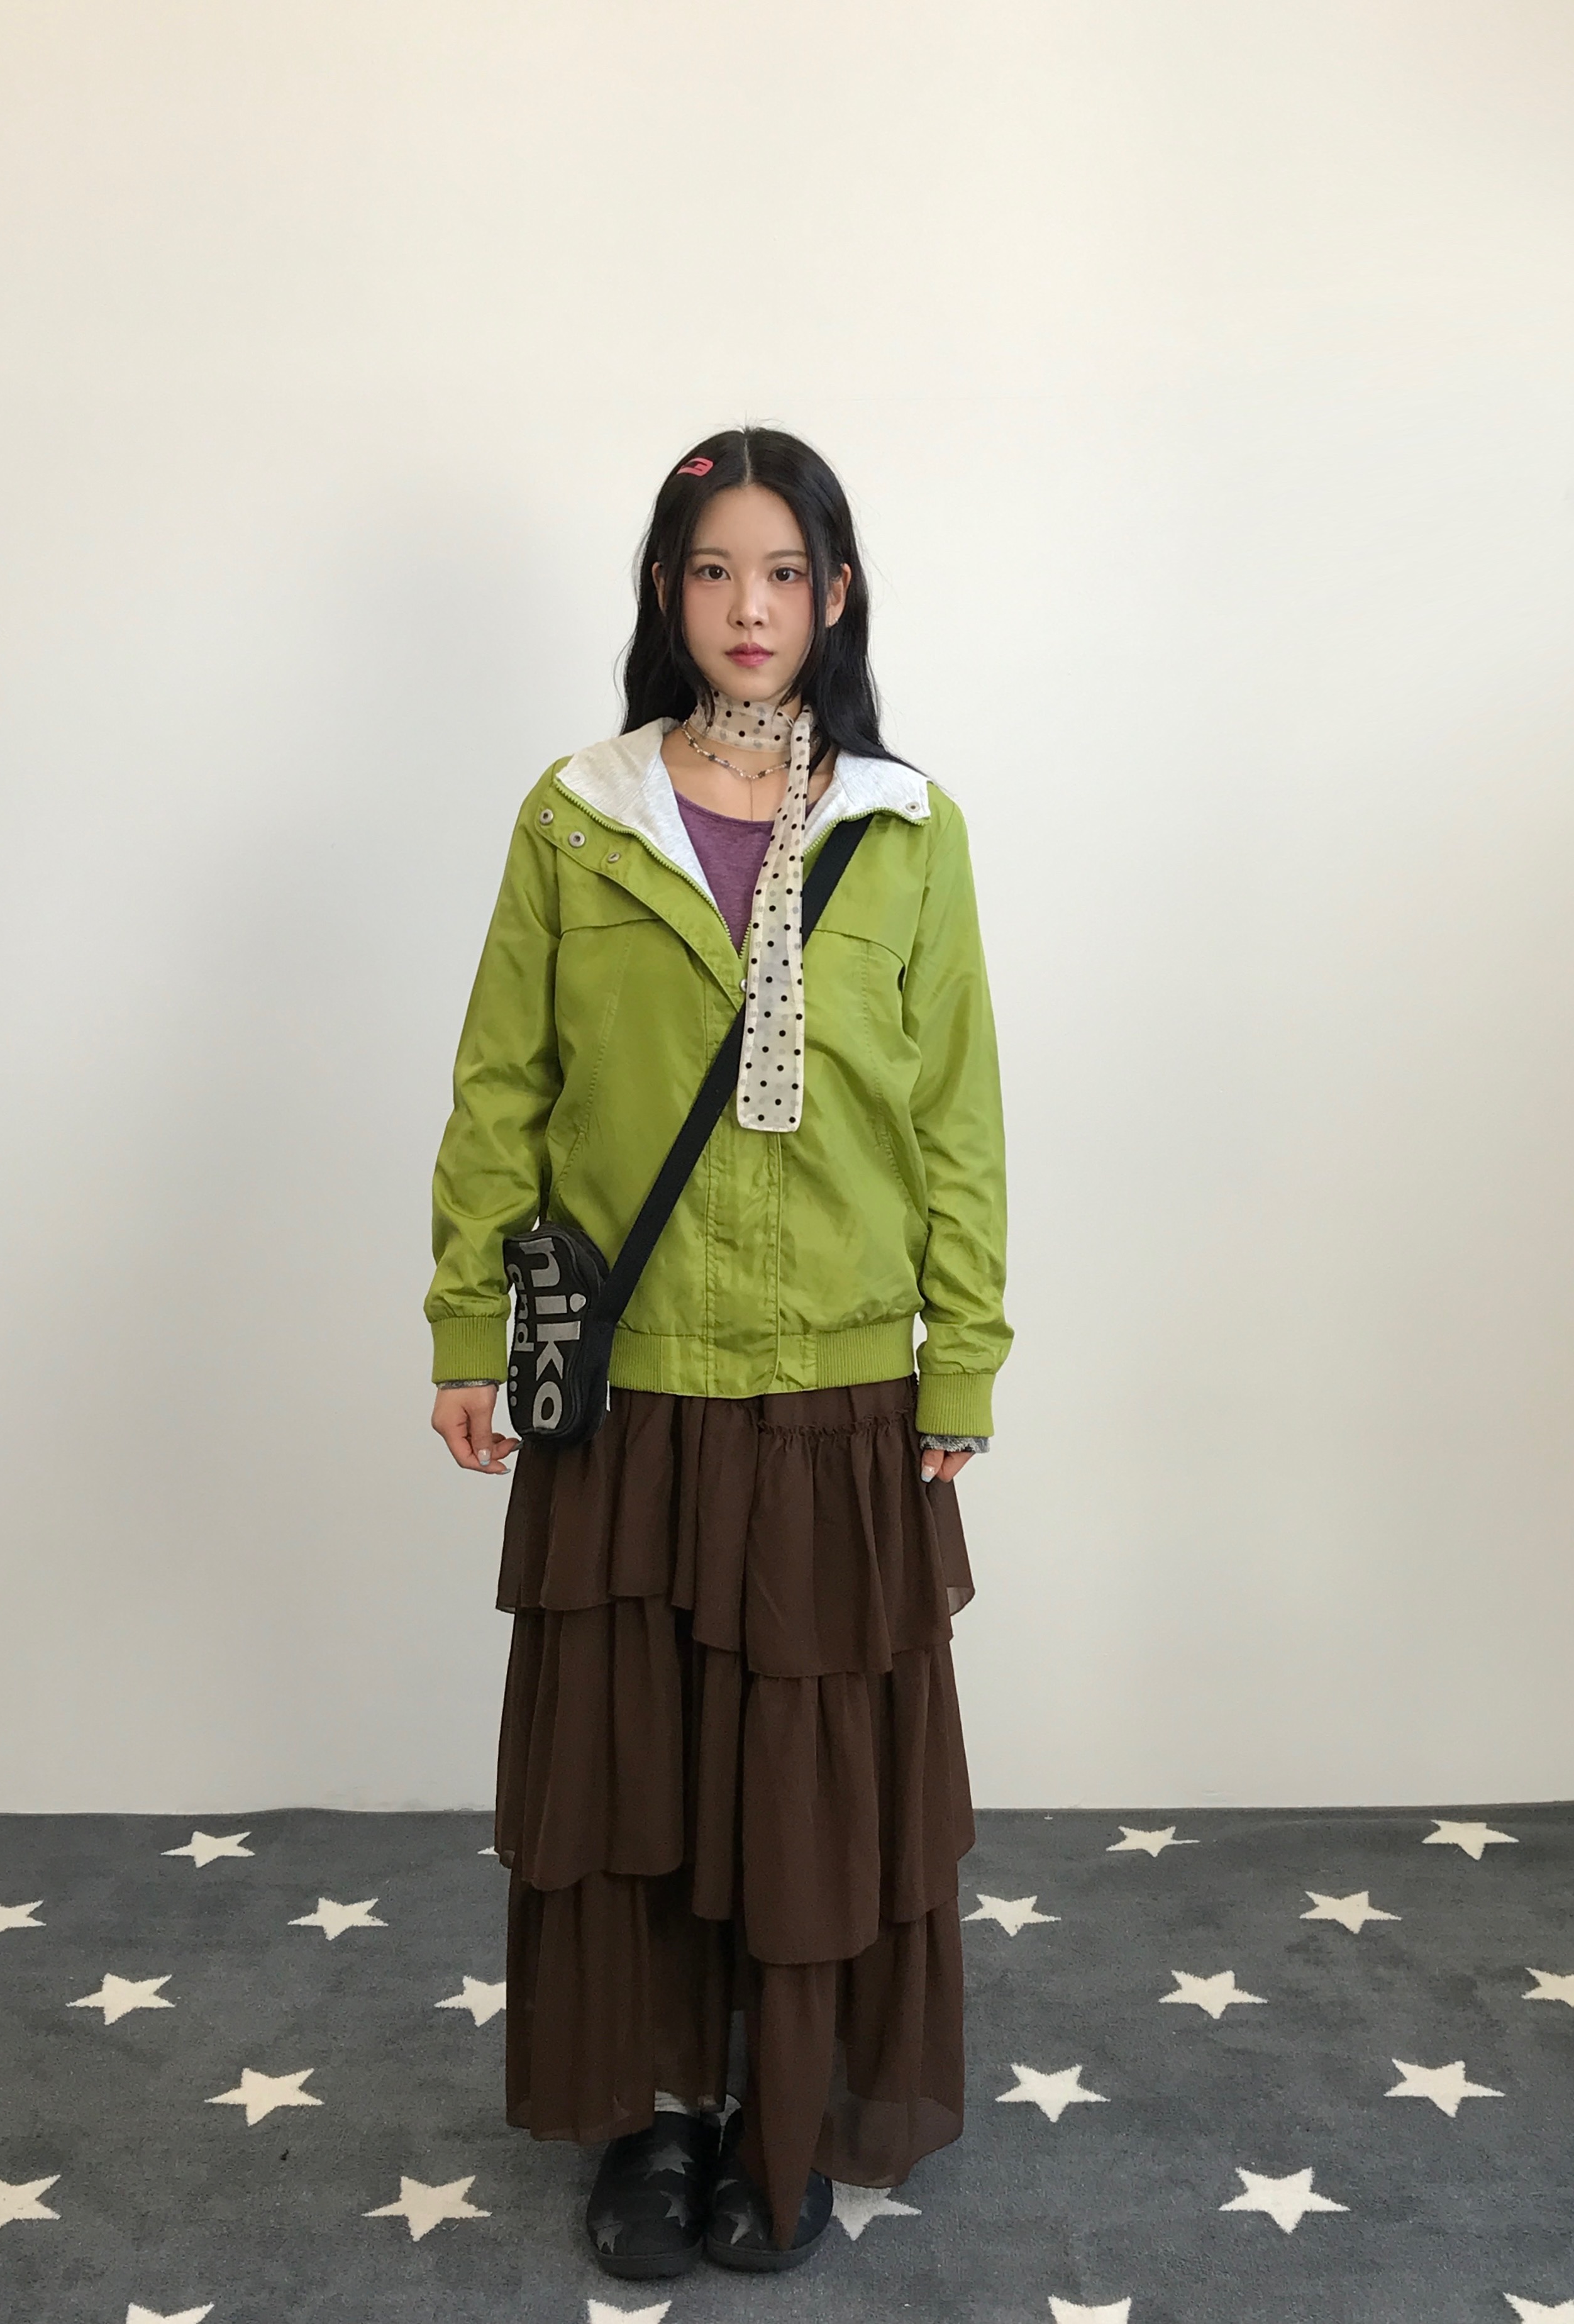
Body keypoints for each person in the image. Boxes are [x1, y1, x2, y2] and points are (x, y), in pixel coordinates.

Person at [424, 425, 1011, 2279]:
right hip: (637, 1377)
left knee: (803, 1785)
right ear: (665, 593)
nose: (746, 607)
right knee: (639, 1775)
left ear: (834, 593)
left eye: (780, 571)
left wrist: (962, 1356)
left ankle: (787, 2119)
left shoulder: (905, 827)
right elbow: (503, 1088)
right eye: (709, 570)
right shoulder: (577, 812)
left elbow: (957, 1116)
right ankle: (656, 2120)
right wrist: (465, 1326)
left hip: (835, 1382)